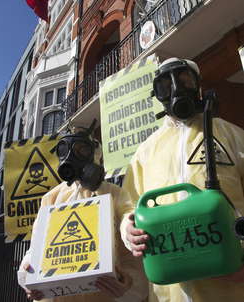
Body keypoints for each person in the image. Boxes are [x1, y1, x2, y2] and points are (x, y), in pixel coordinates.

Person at [120, 57, 244, 302]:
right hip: (170, 291)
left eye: (185, 80)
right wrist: (128, 230)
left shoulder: (231, 135)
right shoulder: (145, 152)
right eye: (165, 86)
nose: (176, 89)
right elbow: (129, 206)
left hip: (231, 285)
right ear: (157, 94)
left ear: (197, 85)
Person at [18, 123, 148, 302]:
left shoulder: (113, 193)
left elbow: (129, 217)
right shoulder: (51, 199)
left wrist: (126, 284)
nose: (72, 157)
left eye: (81, 150)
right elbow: (36, 251)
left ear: (95, 153)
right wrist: (30, 279)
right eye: (65, 150)